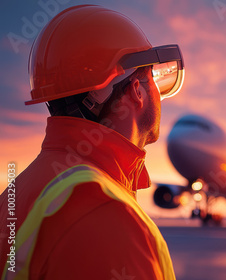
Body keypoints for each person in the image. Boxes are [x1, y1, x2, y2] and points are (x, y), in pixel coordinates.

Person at [0, 5, 184, 279]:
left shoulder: (19, 192)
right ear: (136, 91)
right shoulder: (110, 217)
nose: (159, 93)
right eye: (153, 78)